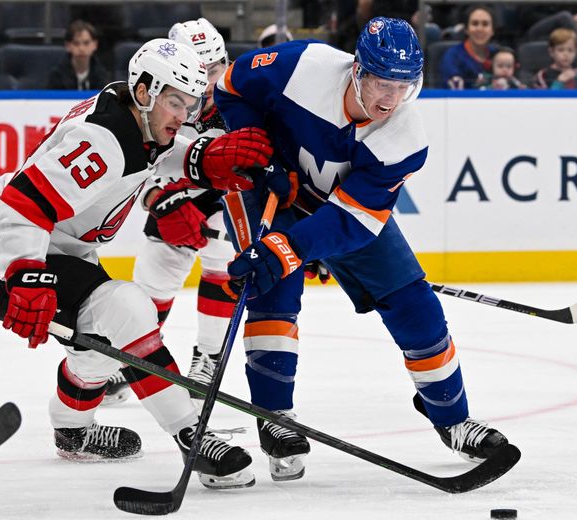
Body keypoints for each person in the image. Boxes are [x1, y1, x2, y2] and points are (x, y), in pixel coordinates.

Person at [211, 17, 510, 482]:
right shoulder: (301, 66)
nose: (390, 100)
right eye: (381, 83)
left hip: (341, 211)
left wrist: (292, 248)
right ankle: (275, 419)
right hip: (273, 188)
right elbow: (231, 87)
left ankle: (452, 419)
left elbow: (350, 222)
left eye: (404, 86)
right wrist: (263, 152)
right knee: (274, 292)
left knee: (416, 306)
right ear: (356, 70)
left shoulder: (406, 139)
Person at [0, 38, 274, 489]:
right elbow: (23, 203)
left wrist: (200, 158)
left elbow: (152, 152)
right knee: (128, 308)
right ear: (146, 91)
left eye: (190, 104)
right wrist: (25, 272)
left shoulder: (132, 112)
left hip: (59, 252)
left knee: (97, 344)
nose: (183, 116)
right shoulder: (105, 141)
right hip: (15, 256)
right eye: (175, 102)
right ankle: (193, 435)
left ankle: (72, 431)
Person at [102, 18, 235, 407]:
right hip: (168, 205)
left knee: (222, 270)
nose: (209, 82)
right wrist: (158, 198)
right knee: (151, 288)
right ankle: (132, 357)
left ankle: (208, 356)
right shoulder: (153, 105)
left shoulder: (242, 101)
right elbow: (132, 166)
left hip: (223, 205)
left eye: (215, 68)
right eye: (200, 71)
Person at [439, 5, 500, 89]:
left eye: (485, 24)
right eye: (475, 24)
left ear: (492, 30)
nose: (480, 29)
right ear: (466, 29)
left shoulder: (498, 55)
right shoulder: (453, 56)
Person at [47, 20, 109, 91]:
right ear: (68, 46)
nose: (81, 48)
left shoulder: (102, 75)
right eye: (76, 43)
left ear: (95, 45)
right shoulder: (57, 75)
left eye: (86, 43)